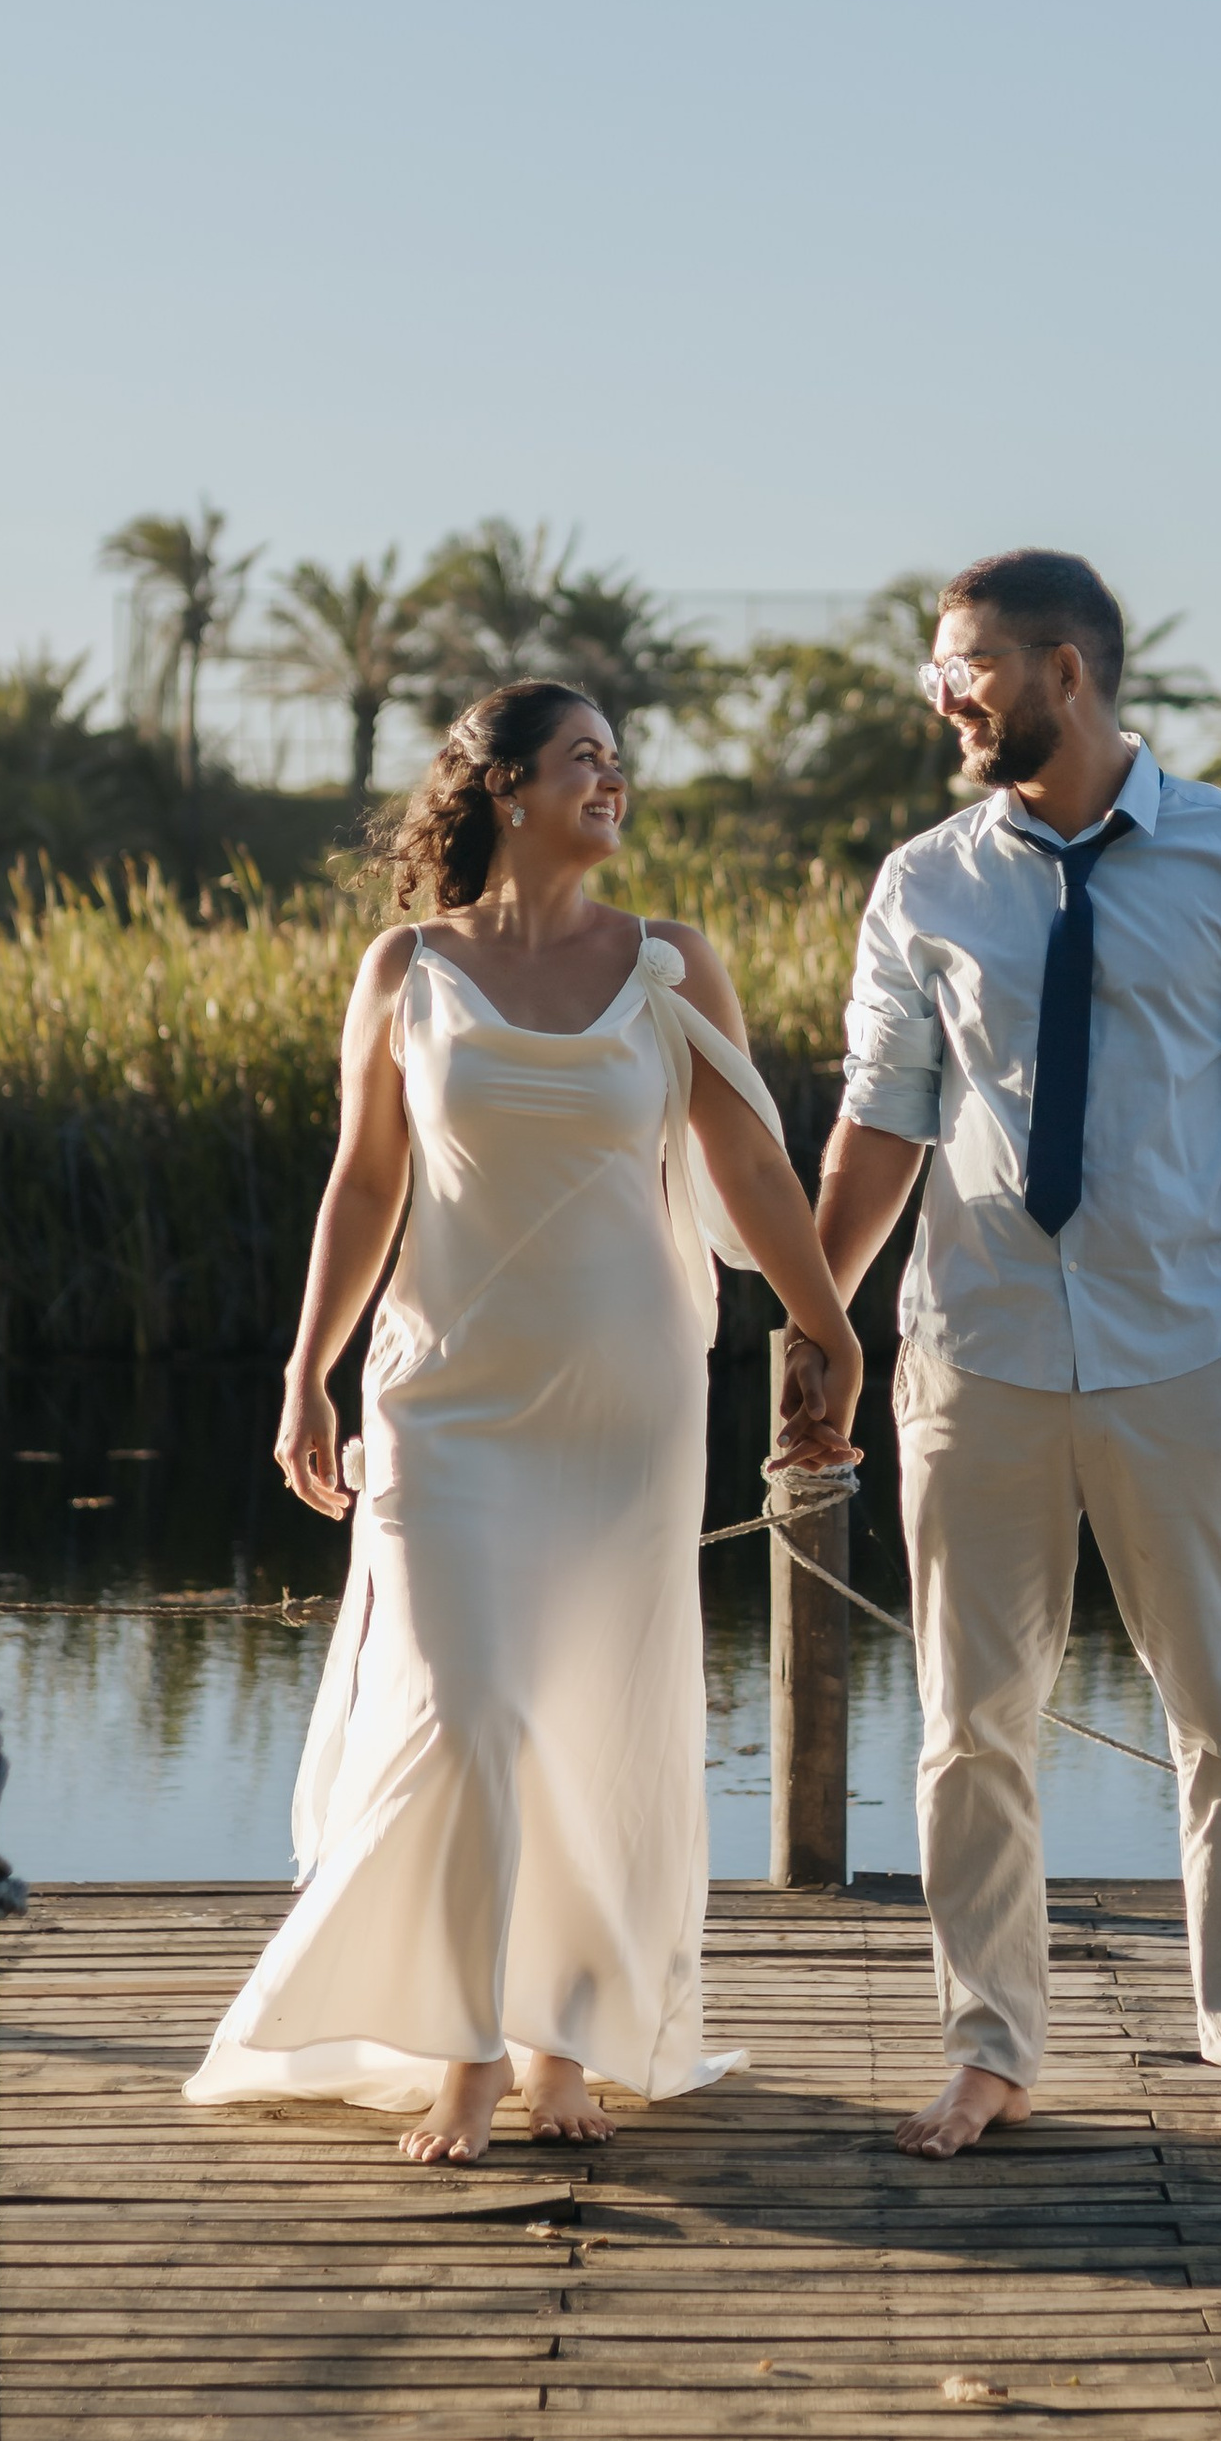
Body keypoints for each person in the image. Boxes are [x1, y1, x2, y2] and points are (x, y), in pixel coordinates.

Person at [188, 677, 864, 2166]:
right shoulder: (406, 968)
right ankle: (463, 2049)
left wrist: (825, 1324)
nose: (612, 783)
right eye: (583, 761)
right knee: (470, 1709)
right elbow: (366, 1183)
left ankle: (567, 2041)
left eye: (621, 760)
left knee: (593, 1717)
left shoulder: (672, 964)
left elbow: (750, 1171)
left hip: (626, 1396)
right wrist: (308, 1368)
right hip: (447, 1396)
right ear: (503, 789)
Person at [784, 549, 1221, 2165]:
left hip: (1189, 1347)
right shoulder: (923, 883)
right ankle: (991, 2049)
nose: (940, 696)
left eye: (962, 666)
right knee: (973, 1723)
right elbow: (881, 1120)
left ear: (1064, 672)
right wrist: (822, 1328)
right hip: (978, 1355)